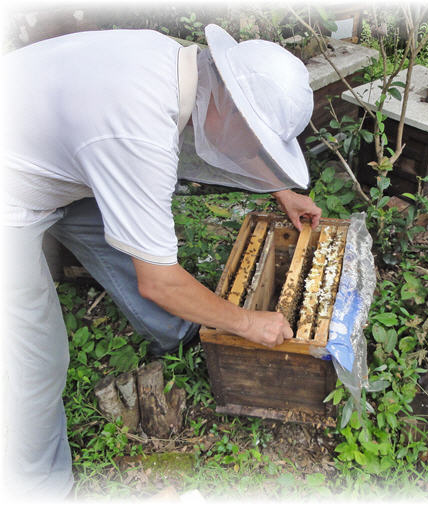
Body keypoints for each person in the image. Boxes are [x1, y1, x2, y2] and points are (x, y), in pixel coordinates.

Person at [0, 24, 321, 498]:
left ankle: (182, 336)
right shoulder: (137, 133)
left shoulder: (169, 61)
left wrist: (280, 188)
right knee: (32, 361)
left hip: (48, 149)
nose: (250, 152)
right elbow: (160, 283)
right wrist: (247, 324)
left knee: (126, 241)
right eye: (255, 141)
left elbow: (217, 131)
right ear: (230, 105)